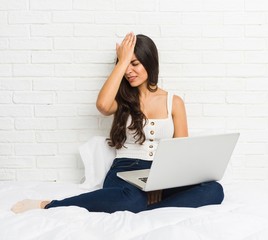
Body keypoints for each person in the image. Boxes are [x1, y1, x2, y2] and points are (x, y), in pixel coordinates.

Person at [11, 33, 224, 214]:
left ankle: (145, 208)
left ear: (149, 62)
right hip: (126, 171)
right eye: (125, 65)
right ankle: (50, 205)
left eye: (135, 63)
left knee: (214, 190)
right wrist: (121, 62)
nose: (129, 71)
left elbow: (181, 153)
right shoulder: (121, 98)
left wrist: (161, 182)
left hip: (162, 173)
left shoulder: (174, 102)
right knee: (131, 199)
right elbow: (102, 105)